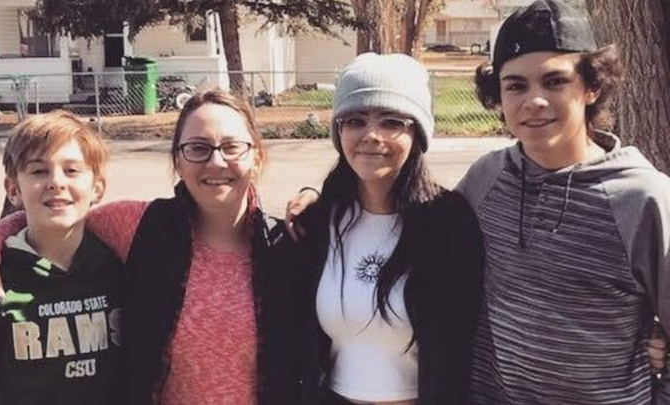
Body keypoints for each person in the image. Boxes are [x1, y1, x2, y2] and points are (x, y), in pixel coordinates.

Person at [0, 90, 293, 405]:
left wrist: (311, 200)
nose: (216, 162)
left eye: (232, 147)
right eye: (197, 147)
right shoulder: (140, 226)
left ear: (257, 157)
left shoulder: (286, 244)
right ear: (178, 160)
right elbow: (59, 216)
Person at [463, 1, 670, 403]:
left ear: (592, 87)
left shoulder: (643, 199)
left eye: (555, 81)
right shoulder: (485, 179)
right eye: (516, 85)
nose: (534, 100)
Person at [285, 52, 484, 405]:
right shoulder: (318, 222)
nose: (371, 135)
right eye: (355, 120)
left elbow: (460, 344)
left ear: (417, 134)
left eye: (392, 122)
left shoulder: (449, 223)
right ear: (339, 131)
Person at [0, 111, 122, 405]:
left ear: (97, 187)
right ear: (13, 189)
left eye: (72, 170)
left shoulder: (121, 266)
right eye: (39, 171)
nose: (56, 182)